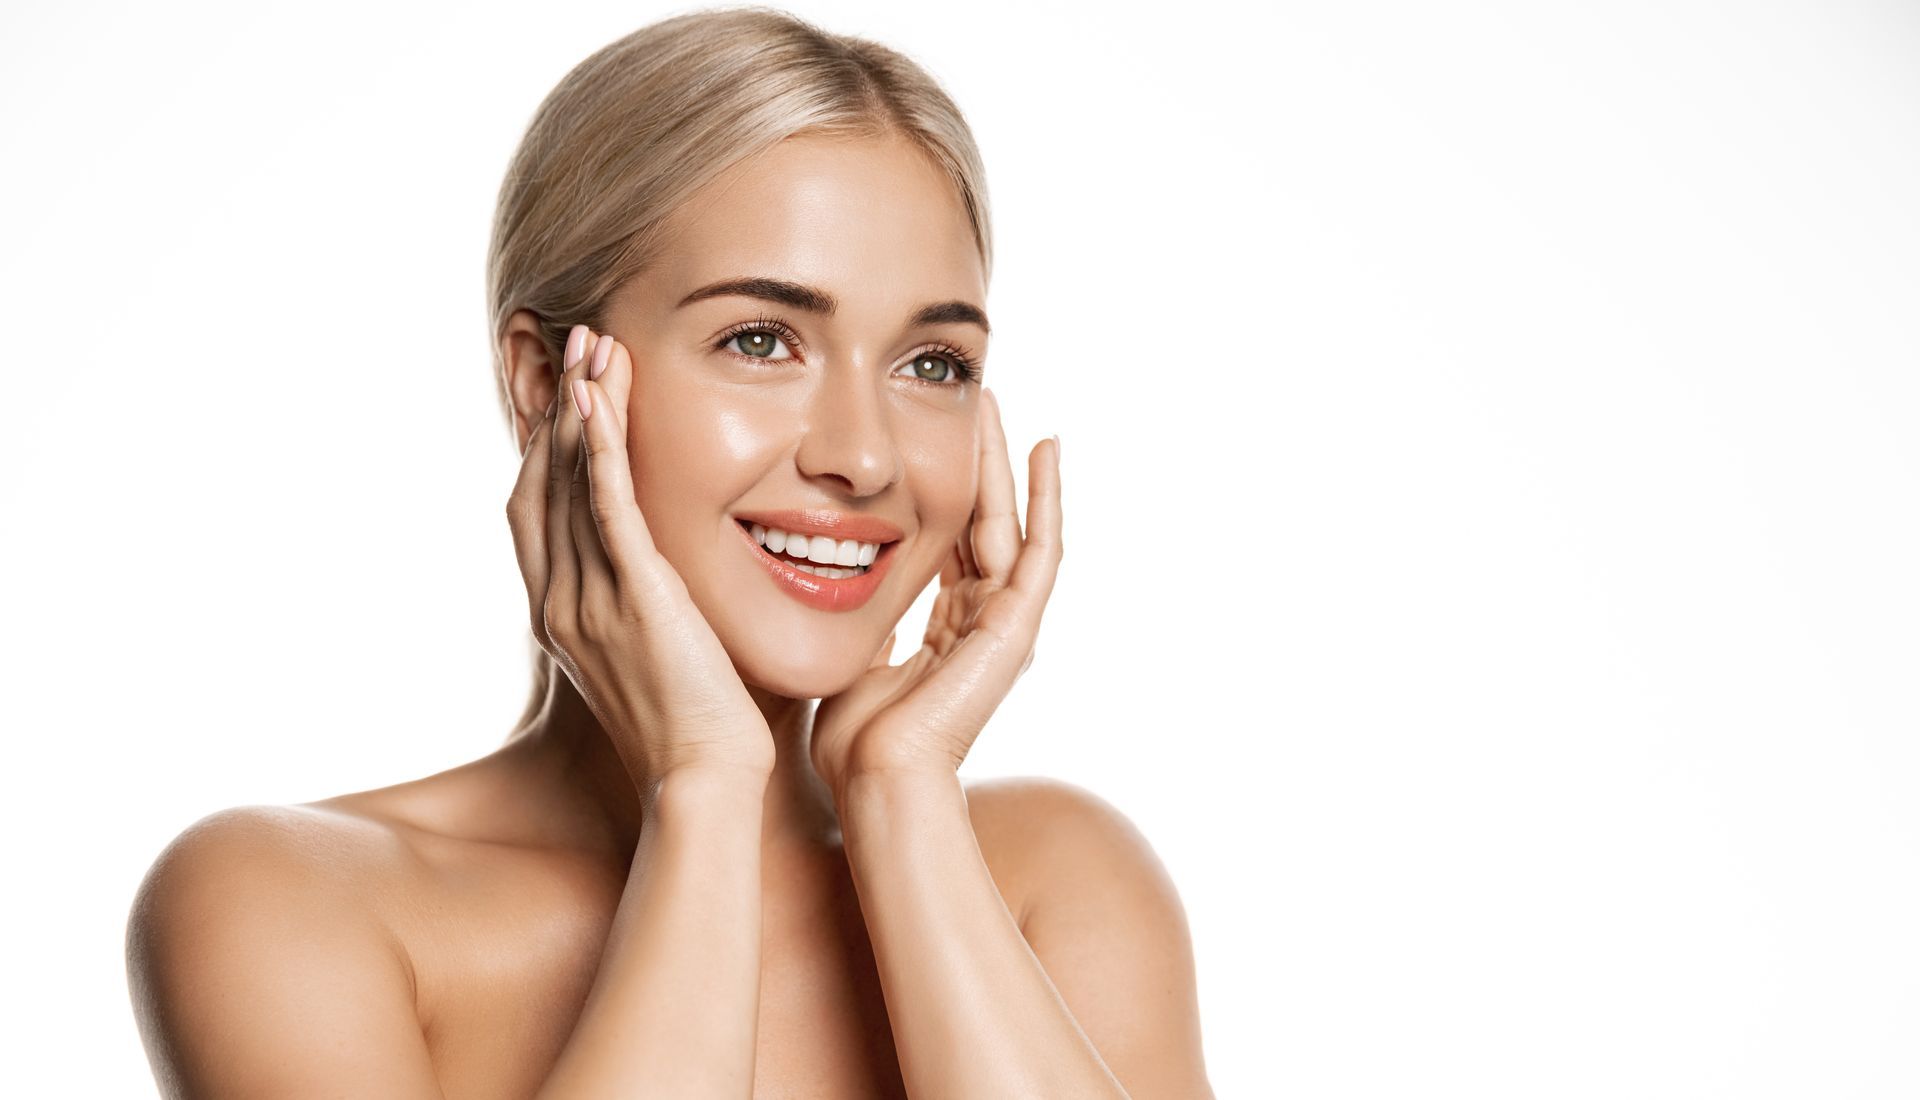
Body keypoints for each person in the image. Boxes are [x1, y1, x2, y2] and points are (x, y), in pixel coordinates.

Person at [125, 8, 1213, 1097]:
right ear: (548, 384)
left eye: (932, 362)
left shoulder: (1057, 886)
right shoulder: (291, 905)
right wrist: (700, 785)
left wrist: (903, 796)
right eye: (759, 340)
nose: (866, 457)